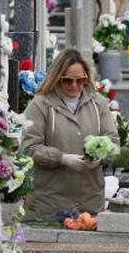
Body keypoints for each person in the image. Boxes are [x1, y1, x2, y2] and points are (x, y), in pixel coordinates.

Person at [21, 49, 119, 218]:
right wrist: (62, 158)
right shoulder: (40, 105)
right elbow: (29, 148)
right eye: (67, 81)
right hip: (49, 205)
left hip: (89, 205)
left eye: (80, 80)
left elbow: (113, 142)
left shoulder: (98, 104)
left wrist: (99, 156)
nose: (74, 86)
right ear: (57, 78)